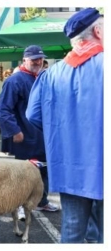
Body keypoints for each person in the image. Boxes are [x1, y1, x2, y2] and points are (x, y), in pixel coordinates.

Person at [26, 8, 103, 243]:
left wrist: (61, 129)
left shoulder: (51, 74)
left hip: (69, 164)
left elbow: (33, 115)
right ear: (98, 32)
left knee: (71, 230)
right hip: (101, 163)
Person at [0, 45, 59, 221]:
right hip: (24, 136)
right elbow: (3, 110)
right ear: (24, 59)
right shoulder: (14, 81)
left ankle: (42, 200)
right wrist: (14, 130)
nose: (38, 62)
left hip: (44, 135)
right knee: (24, 173)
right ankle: (20, 206)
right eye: (34, 59)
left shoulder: (43, 78)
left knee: (44, 170)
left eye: (40, 58)